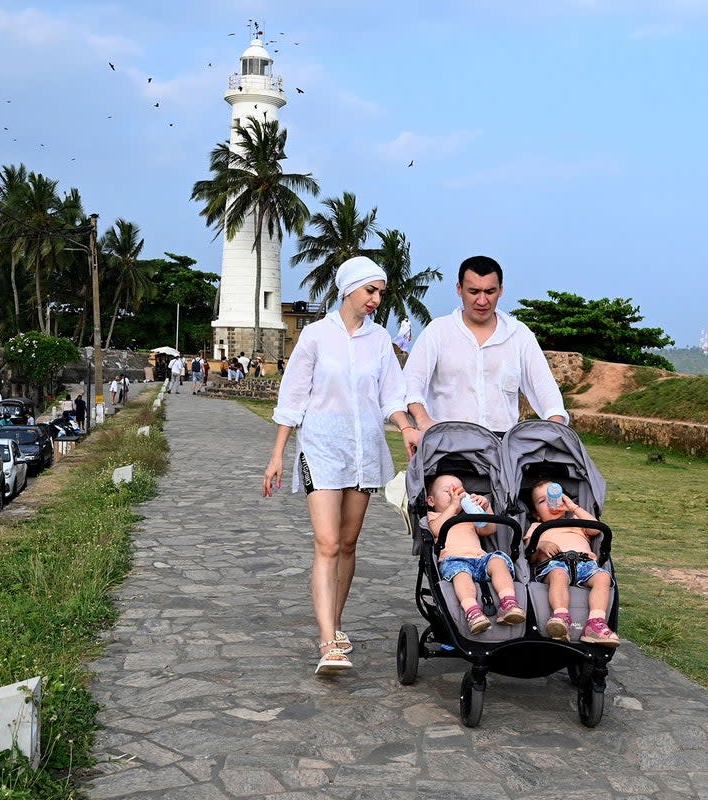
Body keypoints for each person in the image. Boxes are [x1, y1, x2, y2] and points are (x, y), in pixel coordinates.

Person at [262, 256, 417, 676]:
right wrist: (278, 454)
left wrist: (405, 426)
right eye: (371, 291)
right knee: (327, 543)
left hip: (364, 452)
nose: (376, 299)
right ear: (349, 288)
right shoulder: (314, 336)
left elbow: (391, 396)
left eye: (381, 293)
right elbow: (292, 397)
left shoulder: (380, 340)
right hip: (320, 448)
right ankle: (328, 639)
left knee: (348, 545)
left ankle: (337, 622)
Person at [404, 255, 567, 436]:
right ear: (459, 289)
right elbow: (412, 381)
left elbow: (544, 387)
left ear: (501, 290)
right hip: (447, 441)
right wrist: (422, 419)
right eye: (474, 291)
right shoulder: (438, 331)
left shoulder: (519, 334)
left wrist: (556, 427)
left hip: (502, 445)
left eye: (490, 292)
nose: (482, 301)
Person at [524, 480, 619, 646]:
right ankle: (561, 617)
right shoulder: (538, 526)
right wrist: (541, 545)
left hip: (585, 563)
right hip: (555, 564)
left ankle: (595, 624)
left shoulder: (577, 522)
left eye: (554, 497)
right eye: (542, 501)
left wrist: (573, 507)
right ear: (536, 513)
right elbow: (529, 554)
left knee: (603, 577)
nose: (550, 503)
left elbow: (596, 529)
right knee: (559, 576)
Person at [425, 474, 525, 634]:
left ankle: (509, 602)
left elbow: (489, 529)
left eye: (459, 490)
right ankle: (473, 611)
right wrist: (453, 507)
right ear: (431, 501)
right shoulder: (434, 517)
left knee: (498, 560)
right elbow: (436, 530)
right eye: (448, 491)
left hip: (479, 559)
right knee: (461, 575)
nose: (455, 494)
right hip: (455, 561)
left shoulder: (468, 517)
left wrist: (485, 509)